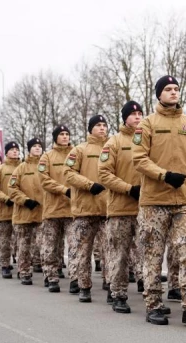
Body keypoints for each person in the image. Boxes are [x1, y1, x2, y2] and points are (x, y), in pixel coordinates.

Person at [133, 75, 186, 326]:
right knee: (153, 254)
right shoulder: (146, 125)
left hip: (184, 201)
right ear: (159, 94)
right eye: (168, 89)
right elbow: (138, 158)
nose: (173, 92)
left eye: (176, 88)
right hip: (153, 201)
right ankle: (153, 304)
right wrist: (164, 175)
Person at [99, 101, 145, 314]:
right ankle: (117, 293)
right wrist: (128, 189)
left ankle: (151, 295)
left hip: (146, 207)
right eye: (133, 114)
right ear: (125, 118)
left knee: (147, 253)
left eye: (140, 113)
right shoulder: (114, 142)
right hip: (120, 209)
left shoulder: (147, 138)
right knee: (120, 254)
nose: (137, 117)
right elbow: (104, 174)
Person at [64, 115, 109, 302]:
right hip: (85, 209)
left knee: (110, 250)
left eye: (104, 125)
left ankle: (112, 284)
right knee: (83, 251)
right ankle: (83, 286)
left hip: (107, 208)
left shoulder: (111, 147)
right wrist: (89, 185)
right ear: (90, 129)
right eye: (98, 125)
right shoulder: (79, 150)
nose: (102, 128)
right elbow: (68, 173)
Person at [39, 125, 72, 292]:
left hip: (72, 209)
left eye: (67, 134)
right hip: (53, 209)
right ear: (55, 137)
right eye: (61, 134)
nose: (65, 137)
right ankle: (51, 276)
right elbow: (44, 180)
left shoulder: (75, 154)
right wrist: (63, 189)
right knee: (51, 245)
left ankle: (76, 278)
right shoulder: (47, 157)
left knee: (74, 246)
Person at [9, 138, 44, 285]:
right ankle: (24, 271)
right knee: (24, 244)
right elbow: (12, 189)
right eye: (34, 146)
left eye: (39, 146)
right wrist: (25, 200)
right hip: (24, 214)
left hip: (42, 212)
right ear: (29, 149)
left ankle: (46, 271)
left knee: (42, 244)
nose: (37, 148)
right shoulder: (21, 168)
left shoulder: (45, 166)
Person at [0, 142, 21, 279]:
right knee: (4, 241)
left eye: (16, 150)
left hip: (21, 211)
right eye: (12, 150)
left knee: (21, 241)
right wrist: (5, 198)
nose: (15, 152)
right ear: (6, 153)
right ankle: (5, 265)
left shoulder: (23, 167)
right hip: (4, 212)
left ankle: (22, 266)